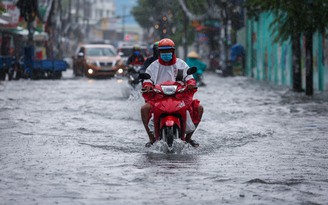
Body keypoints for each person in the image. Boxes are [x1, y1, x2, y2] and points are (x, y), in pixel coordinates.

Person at [141, 38, 204, 148]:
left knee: (199, 108)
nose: (166, 54)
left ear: (173, 51)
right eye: (163, 51)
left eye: (168, 51)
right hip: (158, 97)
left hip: (180, 97)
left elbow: (189, 77)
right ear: (159, 52)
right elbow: (147, 80)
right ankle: (151, 139)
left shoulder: (181, 64)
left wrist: (190, 83)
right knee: (144, 109)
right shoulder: (153, 66)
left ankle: (188, 138)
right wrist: (147, 86)